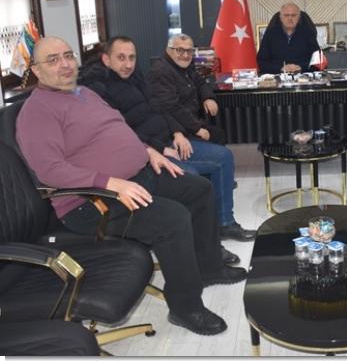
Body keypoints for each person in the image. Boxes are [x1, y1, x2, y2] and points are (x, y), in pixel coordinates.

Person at [16, 37, 247, 336]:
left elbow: (118, 130)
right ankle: (185, 307)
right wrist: (110, 182)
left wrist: (149, 152)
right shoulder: (36, 112)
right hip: (92, 201)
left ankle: (209, 268)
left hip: (137, 176)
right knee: (172, 219)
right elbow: (49, 170)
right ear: (36, 70)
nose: (64, 64)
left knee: (199, 190)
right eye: (53, 60)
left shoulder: (84, 92)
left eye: (68, 56)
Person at [78, 35, 253, 247]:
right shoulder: (98, 91)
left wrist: (177, 132)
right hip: (147, 154)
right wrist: (160, 148)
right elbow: (119, 133)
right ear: (107, 59)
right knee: (192, 177)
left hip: (169, 140)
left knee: (223, 157)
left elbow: (159, 108)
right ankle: (200, 242)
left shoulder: (136, 77)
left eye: (132, 58)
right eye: (121, 58)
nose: (128, 64)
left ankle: (224, 223)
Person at [146, 33, 255, 241]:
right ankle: (223, 222)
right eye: (180, 50)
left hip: (185, 127)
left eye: (189, 51)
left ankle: (221, 202)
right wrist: (195, 129)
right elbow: (170, 108)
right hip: (171, 135)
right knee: (222, 156)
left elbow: (201, 82)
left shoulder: (184, 68)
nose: (185, 55)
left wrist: (207, 97)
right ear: (169, 50)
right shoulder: (161, 72)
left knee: (219, 135)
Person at [256, 2, 320, 74]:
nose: (290, 18)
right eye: (286, 15)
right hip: (277, 76)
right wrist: (280, 68)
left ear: (299, 17)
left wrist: (301, 67)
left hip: (303, 76)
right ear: (280, 17)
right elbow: (261, 62)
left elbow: (318, 61)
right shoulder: (270, 34)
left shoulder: (308, 33)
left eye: (293, 15)